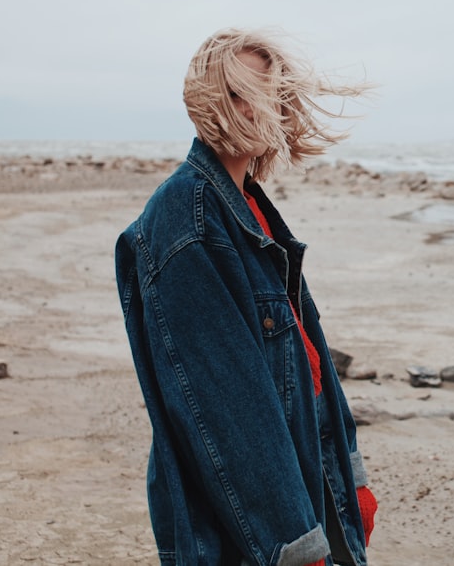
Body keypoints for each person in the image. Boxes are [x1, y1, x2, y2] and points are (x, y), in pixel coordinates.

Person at [115, 28, 376, 566]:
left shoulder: (249, 208)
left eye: (268, 94)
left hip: (308, 483)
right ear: (206, 100)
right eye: (240, 94)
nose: (259, 110)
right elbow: (225, 405)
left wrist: (351, 475)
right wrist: (293, 540)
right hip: (256, 525)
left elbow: (308, 356)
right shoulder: (185, 219)